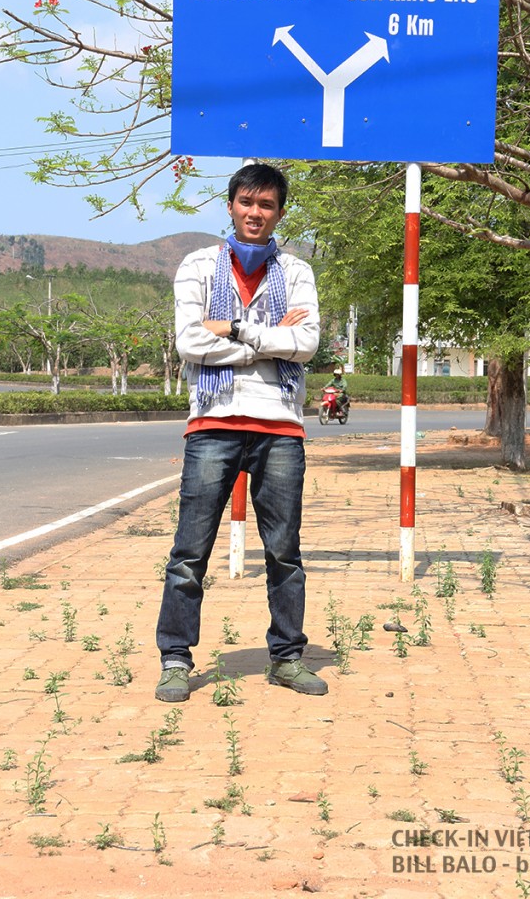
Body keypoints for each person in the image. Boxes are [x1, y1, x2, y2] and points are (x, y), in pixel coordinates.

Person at [155, 163, 327, 701]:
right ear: (231, 205)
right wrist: (270, 340)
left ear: (279, 213)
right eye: (247, 203)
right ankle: (177, 659)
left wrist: (232, 327)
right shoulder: (198, 265)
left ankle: (287, 657)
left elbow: (307, 345)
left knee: (284, 552)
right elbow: (190, 344)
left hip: (280, 425)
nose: (256, 213)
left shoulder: (297, 271)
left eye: (267, 205)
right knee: (190, 552)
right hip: (213, 423)